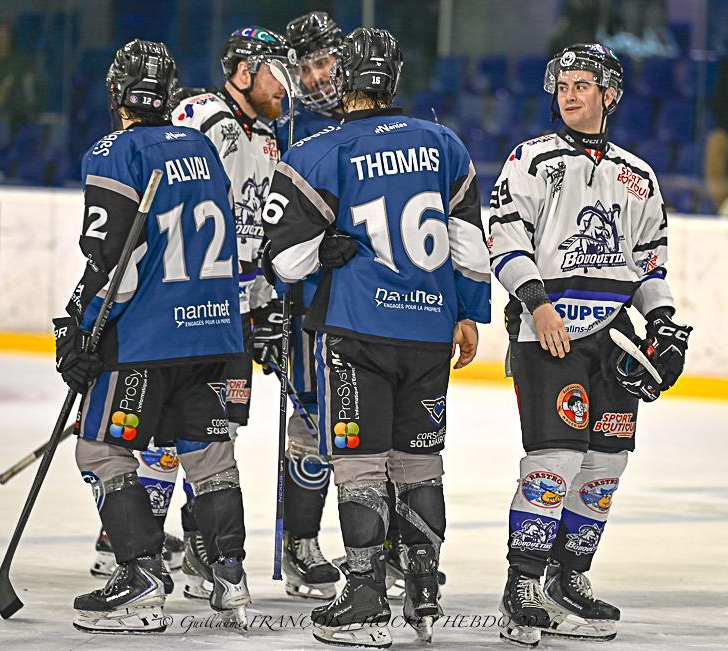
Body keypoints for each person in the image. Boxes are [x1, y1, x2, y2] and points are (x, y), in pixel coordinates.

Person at [263, 27, 491, 647]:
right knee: (420, 461)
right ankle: (422, 588)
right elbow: (471, 247)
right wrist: (467, 313)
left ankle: (364, 595)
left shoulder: (320, 151)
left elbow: (284, 261)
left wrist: (321, 252)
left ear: (346, 80)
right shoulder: (444, 143)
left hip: (357, 331)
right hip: (429, 333)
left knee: (361, 462)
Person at [487, 43, 692, 645]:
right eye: (563, 86)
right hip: (548, 332)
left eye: (582, 84)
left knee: (605, 465)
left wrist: (664, 325)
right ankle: (522, 584)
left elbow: (649, 263)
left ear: (610, 94)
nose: (570, 94)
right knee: (554, 461)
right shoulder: (531, 159)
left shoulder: (638, 175)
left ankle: (568, 576)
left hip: (613, 337)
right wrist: (537, 304)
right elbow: (505, 238)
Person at [55, 39, 248, 633]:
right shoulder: (202, 147)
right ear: (169, 94)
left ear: (116, 94)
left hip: (147, 336)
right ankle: (229, 576)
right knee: (209, 455)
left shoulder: (113, 151)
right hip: (215, 332)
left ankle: (139, 578)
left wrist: (79, 326)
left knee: (100, 448)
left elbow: (113, 261)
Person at [171, 25, 292, 601]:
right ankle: (125, 539)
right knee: (169, 426)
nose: (286, 85)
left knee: (217, 430)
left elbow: (262, 232)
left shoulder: (268, 135)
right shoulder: (198, 116)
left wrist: (268, 302)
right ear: (243, 72)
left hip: (238, 310)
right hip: (190, 304)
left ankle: (200, 544)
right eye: (275, 72)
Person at [266, 10, 346, 601]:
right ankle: (302, 543)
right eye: (307, 68)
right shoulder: (284, 134)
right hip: (311, 301)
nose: (318, 77)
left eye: (326, 62)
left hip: (377, 301)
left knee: (384, 423)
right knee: (314, 418)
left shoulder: (377, 113)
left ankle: (383, 546)